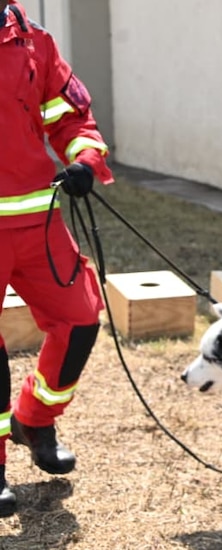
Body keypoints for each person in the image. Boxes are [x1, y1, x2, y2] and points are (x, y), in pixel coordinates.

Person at [0, 0, 114, 516]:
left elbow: (68, 116)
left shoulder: (34, 40)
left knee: (80, 320)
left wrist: (84, 158)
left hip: (35, 221)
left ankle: (35, 419)